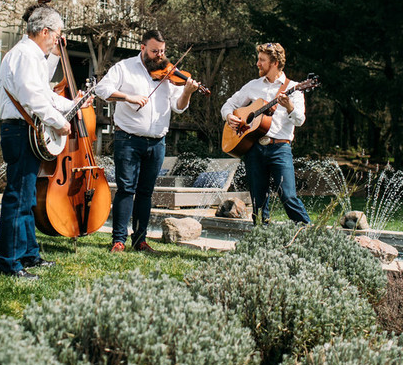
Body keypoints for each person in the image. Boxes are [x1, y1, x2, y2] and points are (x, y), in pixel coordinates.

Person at [95, 29, 199, 253]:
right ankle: (119, 240)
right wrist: (128, 96)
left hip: (157, 142)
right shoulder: (124, 68)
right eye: (154, 51)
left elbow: (178, 107)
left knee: (146, 192)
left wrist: (188, 92)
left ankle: (140, 240)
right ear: (142, 48)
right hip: (128, 139)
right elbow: (101, 89)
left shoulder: (168, 72)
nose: (159, 56)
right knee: (126, 189)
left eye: (162, 51)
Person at [0, 5, 77, 279]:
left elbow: (46, 95)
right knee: (18, 197)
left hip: (22, 130)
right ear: (44, 31)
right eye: (57, 34)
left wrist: (72, 104)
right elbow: (33, 97)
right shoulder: (26, 55)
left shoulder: (31, 56)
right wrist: (58, 121)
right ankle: (9, 263)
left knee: (27, 197)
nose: (58, 40)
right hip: (19, 131)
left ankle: (29, 255)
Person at [221, 42, 310, 225]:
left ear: (275, 62)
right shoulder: (253, 86)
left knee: (288, 196)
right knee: (258, 203)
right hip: (254, 148)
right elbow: (228, 104)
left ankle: (310, 234)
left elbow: (300, 120)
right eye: (258, 59)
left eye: (262, 60)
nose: (258, 63)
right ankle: (261, 240)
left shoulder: (294, 88)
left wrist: (289, 106)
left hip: (280, 148)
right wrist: (229, 116)